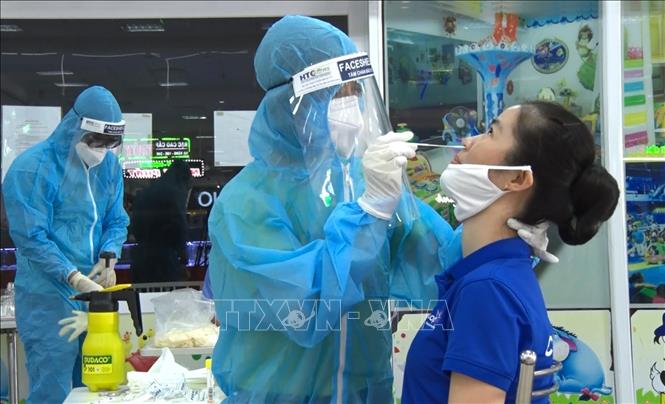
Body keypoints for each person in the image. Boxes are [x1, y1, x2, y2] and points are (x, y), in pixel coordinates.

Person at [205, 16, 552, 403]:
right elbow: (306, 305)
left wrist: (509, 229)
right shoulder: (244, 205)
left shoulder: (365, 180)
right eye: (337, 94)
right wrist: (369, 212)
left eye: (356, 91)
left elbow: (439, 259)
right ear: (289, 105)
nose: (351, 107)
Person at [401, 101, 619, 403]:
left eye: (491, 132)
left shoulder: (488, 289)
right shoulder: (498, 276)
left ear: (516, 179)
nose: (468, 140)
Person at [2, 86, 129, 403]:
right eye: (97, 141)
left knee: (96, 382)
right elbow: (31, 237)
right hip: (48, 297)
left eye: (110, 143)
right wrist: (73, 276)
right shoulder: (33, 168)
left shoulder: (108, 168)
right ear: (77, 128)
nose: (102, 150)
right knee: (54, 387)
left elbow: (116, 219)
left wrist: (109, 256)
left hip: (92, 297)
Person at [130, 160, 193, 283]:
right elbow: (179, 225)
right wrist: (183, 257)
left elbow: (134, 227)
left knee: (143, 293)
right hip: (165, 261)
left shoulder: (145, 193)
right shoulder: (175, 193)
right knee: (166, 293)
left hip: (140, 259)